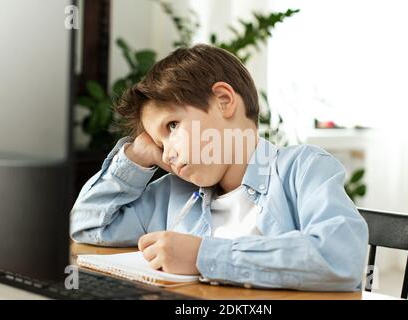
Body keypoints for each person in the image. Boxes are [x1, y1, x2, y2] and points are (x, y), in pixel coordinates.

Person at [70, 44, 368, 291]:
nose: (169, 153)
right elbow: (88, 225)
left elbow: (341, 257)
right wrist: (137, 154)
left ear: (224, 101)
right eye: (160, 144)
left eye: (172, 126)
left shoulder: (302, 170)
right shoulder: (172, 194)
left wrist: (202, 256)